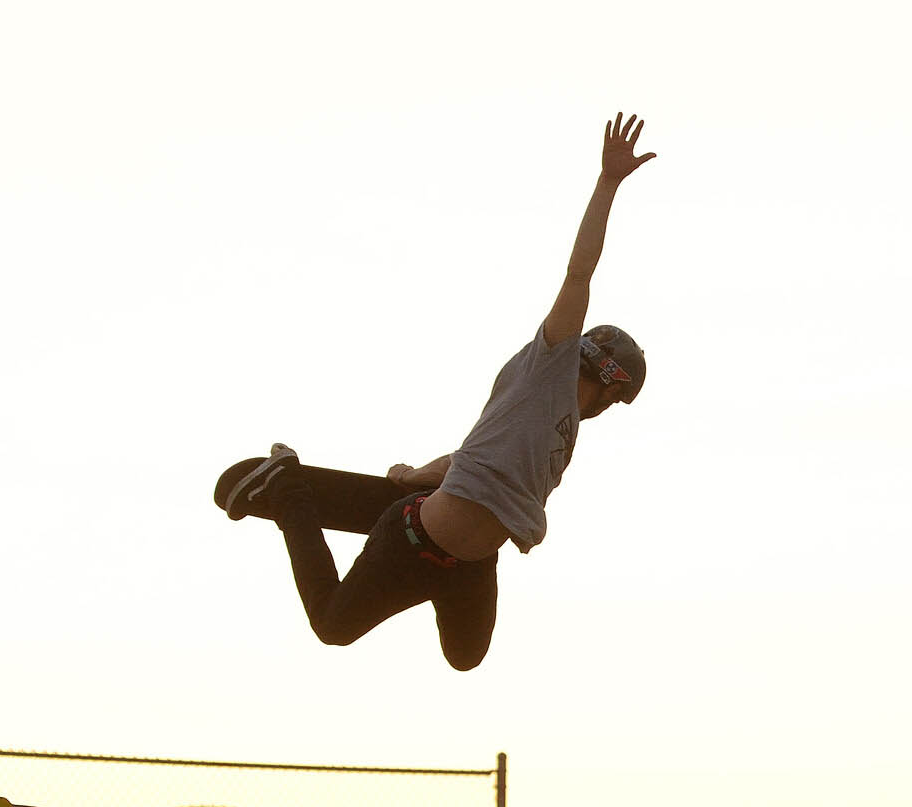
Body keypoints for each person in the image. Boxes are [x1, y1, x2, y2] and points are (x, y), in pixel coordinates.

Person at [224, 114, 654, 672]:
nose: (606, 415)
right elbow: (579, 275)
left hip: (468, 560)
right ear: (607, 379)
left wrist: (412, 476)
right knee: (334, 626)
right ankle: (290, 491)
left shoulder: (556, 425)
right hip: (413, 536)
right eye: (613, 403)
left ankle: (398, 501)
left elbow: (470, 460)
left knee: (466, 657)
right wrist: (608, 184)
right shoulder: (549, 366)